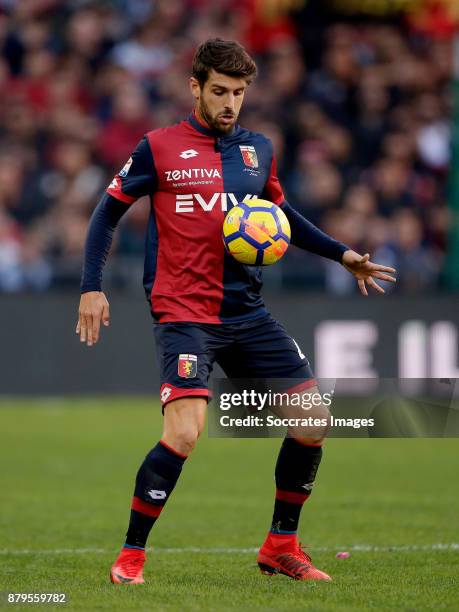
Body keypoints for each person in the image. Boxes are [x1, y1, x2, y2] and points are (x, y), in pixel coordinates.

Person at [77, 38, 396, 584]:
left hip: (247, 311)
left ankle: (280, 546)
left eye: (240, 93)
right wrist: (91, 286)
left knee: (314, 420)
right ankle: (131, 555)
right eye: (220, 91)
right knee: (184, 434)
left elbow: (281, 215)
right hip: (184, 312)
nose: (230, 103)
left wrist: (344, 255)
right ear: (195, 87)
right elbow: (107, 213)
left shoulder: (257, 151)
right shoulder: (158, 147)